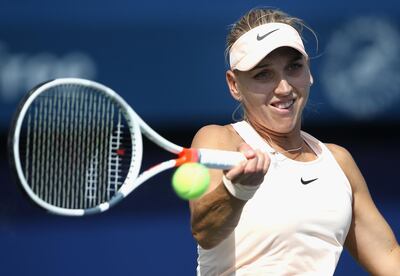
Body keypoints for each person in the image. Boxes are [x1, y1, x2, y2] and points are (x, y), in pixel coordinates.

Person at [189, 7, 400, 275]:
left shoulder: (339, 162)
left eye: (294, 68)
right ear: (234, 84)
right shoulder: (217, 139)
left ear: (308, 71)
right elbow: (204, 231)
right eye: (263, 74)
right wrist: (237, 190)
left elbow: (389, 257)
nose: (284, 88)